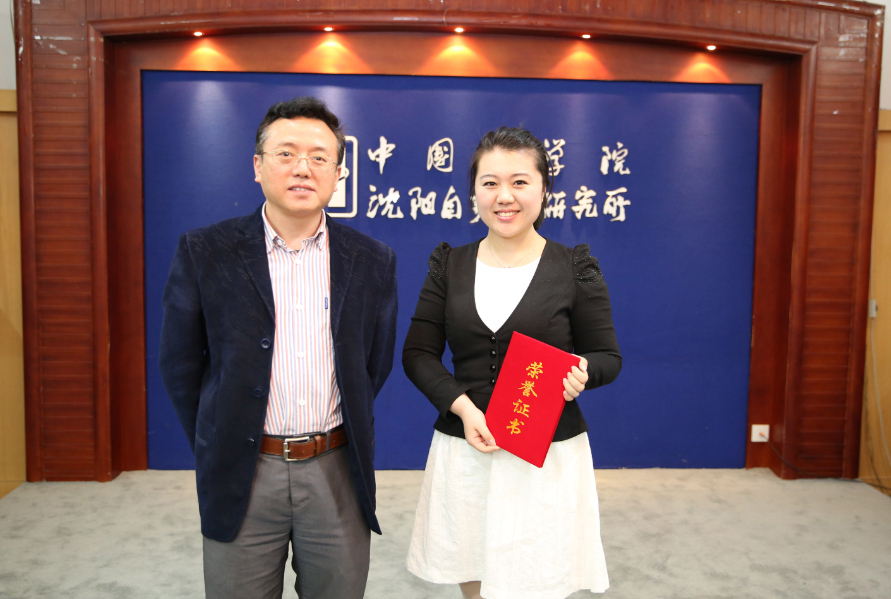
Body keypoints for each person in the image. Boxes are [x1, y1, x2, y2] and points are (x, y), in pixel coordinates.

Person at [159, 96, 397, 599]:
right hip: (243, 469)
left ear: (338, 174)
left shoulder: (373, 260)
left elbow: (372, 365)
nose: (302, 168)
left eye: (319, 157)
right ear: (257, 165)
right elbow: (180, 365)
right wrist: (218, 439)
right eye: (286, 153)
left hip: (336, 468)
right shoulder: (206, 251)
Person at [403, 127, 622, 599]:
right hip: (467, 447)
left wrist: (582, 370)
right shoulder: (449, 266)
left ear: (544, 189)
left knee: (540, 575)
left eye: (520, 182)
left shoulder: (574, 267)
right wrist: (463, 408)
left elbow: (608, 357)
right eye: (490, 183)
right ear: (475, 193)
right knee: (472, 565)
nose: (505, 196)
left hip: (545, 454)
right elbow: (418, 353)